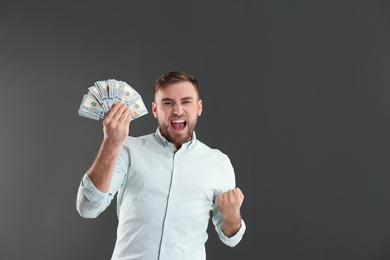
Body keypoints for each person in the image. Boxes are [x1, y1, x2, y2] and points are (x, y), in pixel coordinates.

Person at [76, 71, 246, 260]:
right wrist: (111, 143)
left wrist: (231, 216)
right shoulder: (127, 150)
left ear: (199, 107)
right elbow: (88, 208)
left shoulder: (219, 163)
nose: (178, 110)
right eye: (168, 103)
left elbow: (231, 238)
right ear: (155, 109)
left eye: (186, 102)